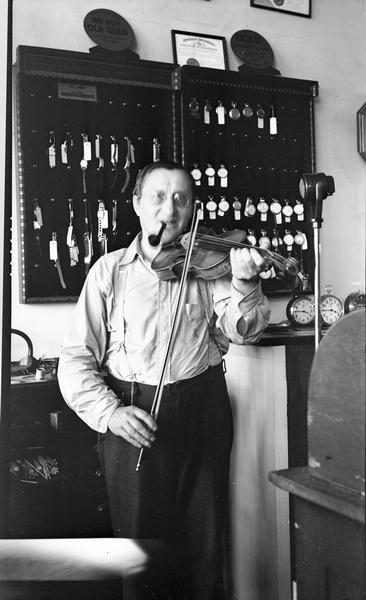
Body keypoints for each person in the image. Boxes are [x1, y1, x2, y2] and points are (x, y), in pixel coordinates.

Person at [58, 160, 270, 600]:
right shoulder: (108, 272)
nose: (168, 209)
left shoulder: (209, 268)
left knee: (204, 548)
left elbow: (242, 330)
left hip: (202, 408)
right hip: (132, 414)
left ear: (192, 209)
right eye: (157, 196)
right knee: (141, 554)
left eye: (181, 199)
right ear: (136, 203)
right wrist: (111, 414)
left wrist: (247, 284)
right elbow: (77, 358)